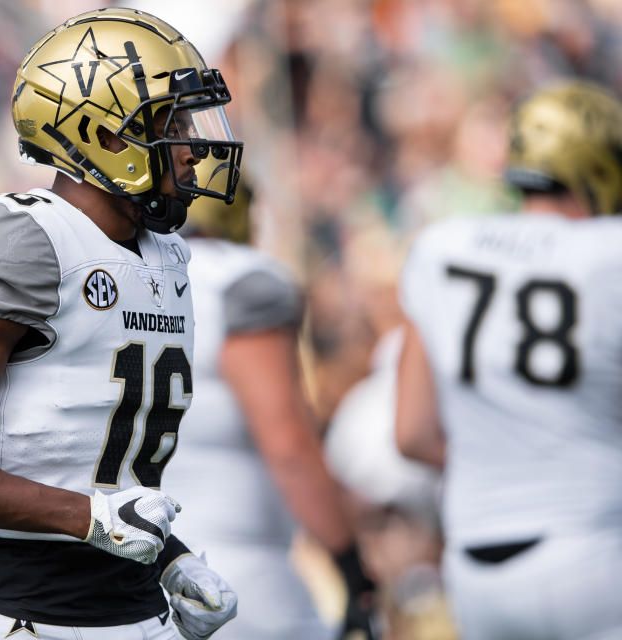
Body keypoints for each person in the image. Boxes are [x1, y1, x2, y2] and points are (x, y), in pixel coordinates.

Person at [0, 8, 244, 640]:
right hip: (21, 612)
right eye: (171, 124)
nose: (193, 149)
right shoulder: (25, 238)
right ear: (104, 136)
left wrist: (170, 554)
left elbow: (92, 465)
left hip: (133, 607)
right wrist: (88, 519)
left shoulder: (165, 254)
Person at [395, 79, 622, 639]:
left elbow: (412, 434)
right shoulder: (609, 254)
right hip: (593, 550)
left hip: (475, 568)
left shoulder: (443, 247)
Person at [161, 173, 377, 640]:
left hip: (141, 566)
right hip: (234, 566)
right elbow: (288, 443)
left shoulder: (131, 274)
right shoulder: (240, 278)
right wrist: (351, 567)